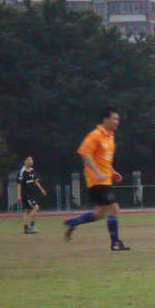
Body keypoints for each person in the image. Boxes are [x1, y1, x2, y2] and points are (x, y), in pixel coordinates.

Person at [64, 107, 130, 250]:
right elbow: (85, 153)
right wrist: (97, 172)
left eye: (118, 119)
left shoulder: (110, 137)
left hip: (105, 179)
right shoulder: (95, 135)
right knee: (114, 209)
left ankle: (73, 222)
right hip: (97, 180)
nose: (117, 121)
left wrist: (113, 172)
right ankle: (115, 243)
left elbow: (103, 159)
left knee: (100, 213)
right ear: (106, 119)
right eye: (114, 118)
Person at [17, 156, 47, 234]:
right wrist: (19, 195)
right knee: (36, 207)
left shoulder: (32, 170)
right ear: (24, 162)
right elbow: (19, 184)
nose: (31, 161)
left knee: (27, 210)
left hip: (32, 193)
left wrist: (42, 189)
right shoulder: (22, 171)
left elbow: (36, 181)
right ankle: (31, 225)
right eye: (29, 160)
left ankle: (27, 228)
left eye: (31, 160)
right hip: (26, 194)